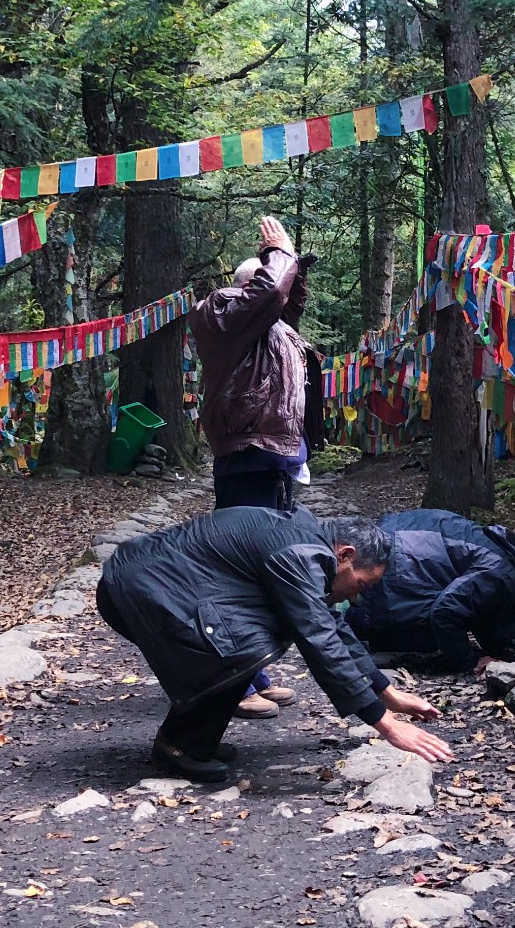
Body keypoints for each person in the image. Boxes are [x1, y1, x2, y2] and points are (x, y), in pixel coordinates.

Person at [96, 507, 454, 782]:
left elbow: (330, 626)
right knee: (243, 647)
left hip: (149, 586)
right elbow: (318, 639)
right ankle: (177, 745)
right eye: (361, 584)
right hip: (137, 592)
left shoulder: (306, 544)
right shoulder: (299, 554)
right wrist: (386, 725)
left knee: (246, 641)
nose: (357, 596)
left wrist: (387, 694)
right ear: (345, 554)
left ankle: (193, 740)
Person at [188, 215, 322, 718]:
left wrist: (292, 264)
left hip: (277, 458)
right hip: (249, 452)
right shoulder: (220, 311)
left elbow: (285, 301)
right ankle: (233, 680)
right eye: (274, 284)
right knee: (238, 569)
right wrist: (280, 253)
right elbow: (269, 295)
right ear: (253, 287)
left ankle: (255, 671)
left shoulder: (274, 325)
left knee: (265, 567)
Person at [347, 510, 515, 673]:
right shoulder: (502, 573)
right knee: (430, 633)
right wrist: (471, 661)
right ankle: (347, 624)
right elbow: (445, 611)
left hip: (395, 539)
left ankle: (347, 618)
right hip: (398, 565)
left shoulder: (505, 555)